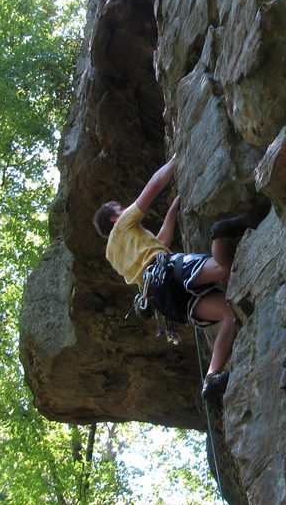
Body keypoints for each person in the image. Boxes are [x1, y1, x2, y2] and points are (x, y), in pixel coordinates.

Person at [92, 155, 261, 400]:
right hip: (167, 270)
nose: (125, 208)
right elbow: (153, 186)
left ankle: (211, 378)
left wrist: (173, 209)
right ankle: (220, 234)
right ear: (114, 218)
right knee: (223, 269)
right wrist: (175, 160)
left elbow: (160, 242)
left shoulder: (113, 254)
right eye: (121, 208)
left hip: (164, 300)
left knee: (228, 313)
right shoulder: (123, 224)